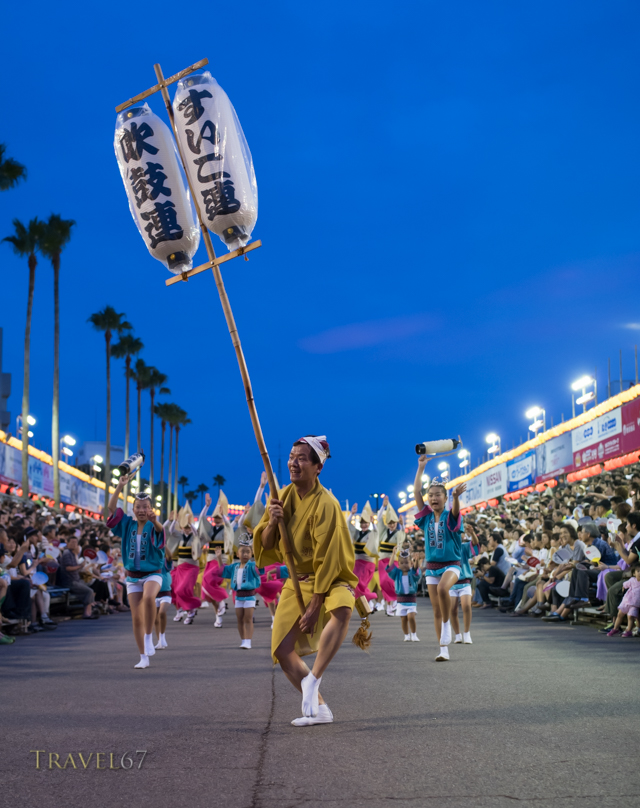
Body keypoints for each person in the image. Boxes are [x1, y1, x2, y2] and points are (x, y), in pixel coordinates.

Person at [254, 435, 358, 727]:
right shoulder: (282, 495)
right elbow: (266, 542)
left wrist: (316, 603)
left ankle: (314, 677)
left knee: (342, 609)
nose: (293, 463)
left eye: (301, 458)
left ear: (318, 467)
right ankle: (322, 709)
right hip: (297, 581)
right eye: (291, 457)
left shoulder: (327, 504)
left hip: (331, 577)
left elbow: (329, 557)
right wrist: (273, 521)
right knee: (281, 651)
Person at [107, 477, 166, 669]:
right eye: (138, 506)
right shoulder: (127, 524)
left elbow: (161, 533)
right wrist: (120, 486)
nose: (142, 510)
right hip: (132, 576)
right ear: (133, 509)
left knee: (150, 598)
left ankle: (149, 637)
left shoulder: (154, 524)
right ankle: (143, 657)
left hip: (153, 574)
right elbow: (111, 508)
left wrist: (155, 522)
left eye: (146, 507)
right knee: (136, 617)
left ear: (151, 509)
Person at [412, 456, 466, 662]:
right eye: (431, 495)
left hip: (451, 565)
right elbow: (416, 491)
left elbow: (455, 510)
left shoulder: (451, 515)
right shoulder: (425, 517)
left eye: (438, 495)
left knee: (444, 589)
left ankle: (447, 627)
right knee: (436, 611)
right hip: (432, 567)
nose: (434, 498)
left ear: (445, 498)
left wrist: (456, 497)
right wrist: (421, 467)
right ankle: (443, 649)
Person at [218, 536, 262, 648]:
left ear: (251, 554)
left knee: (248, 618)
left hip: (250, 596)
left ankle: (248, 641)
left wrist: (260, 556)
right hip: (238, 596)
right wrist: (219, 557)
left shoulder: (252, 565)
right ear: (238, 554)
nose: (245, 554)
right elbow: (223, 570)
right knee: (239, 619)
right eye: (243, 552)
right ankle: (243, 640)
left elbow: (259, 570)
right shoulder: (235, 566)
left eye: (248, 552)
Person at [199, 492, 233, 627]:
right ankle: (218, 615)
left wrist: (222, 512)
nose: (217, 520)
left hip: (221, 560)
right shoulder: (211, 529)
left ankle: (222, 599)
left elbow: (229, 525)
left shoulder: (226, 529)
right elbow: (202, 519)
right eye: (216, 518)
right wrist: (207, 507)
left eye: (219, 518)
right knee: (206, 588)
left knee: (208, 581)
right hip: (210, 559)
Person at [165, 504, 202, 625]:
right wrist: (174, 520)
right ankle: (187, 610)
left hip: (192, 567)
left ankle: (189, 608)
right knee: (176, 589)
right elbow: (170, 531)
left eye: (188, 527)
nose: (186, 529)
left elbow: (196, 533)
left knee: (184, 589)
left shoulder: (195, 537)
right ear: (181, 527)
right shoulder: (179, 536)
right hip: (181, 566)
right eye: (185, 527)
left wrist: (190, 523)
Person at [450, 526, 479, 644]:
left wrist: (472, 534)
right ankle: (457, 634)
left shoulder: (464, 547)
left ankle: (467, 633)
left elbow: (475, 545)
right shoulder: (447, 549)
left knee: (466, 606)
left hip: (465, 581)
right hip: (451, 583)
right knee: (452, 609)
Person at [376, 497, 405, 615]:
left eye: (393, 523)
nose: (392, 525)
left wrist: (402, 526)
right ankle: (390, 606)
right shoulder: (383, 531)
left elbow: (401, 540)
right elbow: (378, 519)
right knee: (383, 583)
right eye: (390, 523)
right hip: (382, 560)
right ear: (387, 523)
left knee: (391, 582)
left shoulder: (398, 533)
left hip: (392, 561)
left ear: (396, 523)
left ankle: (394, 602)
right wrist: (384, 507)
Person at [347, 501, 378, 608]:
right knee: (354, 583)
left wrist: (373, 522)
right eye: (362, 523)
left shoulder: (371, 533)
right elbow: (347, 525)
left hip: (368, 563)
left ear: (368, 524)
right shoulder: (357, 533)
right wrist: (352, 514)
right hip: (357, 562)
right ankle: (368, 603)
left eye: (366, 523)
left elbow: (376, 531)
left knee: (362, 584)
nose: (364, 525)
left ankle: (370, 598)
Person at [59, 536, 98, 620]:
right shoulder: (67, 553)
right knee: (89, 591)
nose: (74, 544)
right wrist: (80, 566)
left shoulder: (73, 554)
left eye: (75, 542)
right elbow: (68, 568)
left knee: (94, 585)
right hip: (70, 581)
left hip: (76, 580)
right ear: (67, 543)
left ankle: (91, 610)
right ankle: (87, 613)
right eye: (72, 542)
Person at [387, 549, 421, 641]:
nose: (404, 565)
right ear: (398, 564)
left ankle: (414, 634)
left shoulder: (412, 573)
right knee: (403, 619)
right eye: (401, 563)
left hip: (411, 600)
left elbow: (416, 571)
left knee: (411, 617)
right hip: (401, 600)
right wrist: (393, 554)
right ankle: (406, 635)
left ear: (410, 563)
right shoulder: (397, 573)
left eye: (406, 563)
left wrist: (416, 560)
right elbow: (390, 567)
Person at [607, 565, 640, 637]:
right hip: (626, 601)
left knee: (630, 616)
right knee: (620, 614)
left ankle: (629, 630)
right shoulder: (632, 580)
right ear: (634, 573)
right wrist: (623, 587)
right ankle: (615, 628)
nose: (639, 573)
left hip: (635, 604)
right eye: (638, 571)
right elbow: (625, 585)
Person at [154, 549, 173, 650]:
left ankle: (163, 637)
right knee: (155, 619)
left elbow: (170, 556)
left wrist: (163, 544)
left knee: (161, 613)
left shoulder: (165, 561)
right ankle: (160, 641)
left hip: (165, 593)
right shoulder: (151, 563)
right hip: (154, 594)